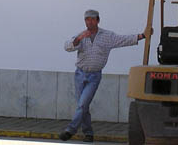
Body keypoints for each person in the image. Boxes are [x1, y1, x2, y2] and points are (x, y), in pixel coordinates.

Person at [59, 9, 148, 143]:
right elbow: (67, 47)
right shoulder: (81, 36)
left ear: (98, 20)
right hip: (80, 74)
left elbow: (123, 40)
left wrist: (142, 35)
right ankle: (88, 133)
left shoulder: (107, 36)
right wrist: (79, 38)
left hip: (94, 76)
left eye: (92, 19)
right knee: (83, 106)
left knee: (82, 104)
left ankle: (70, 130)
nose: (89, 21)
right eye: (87, 19)